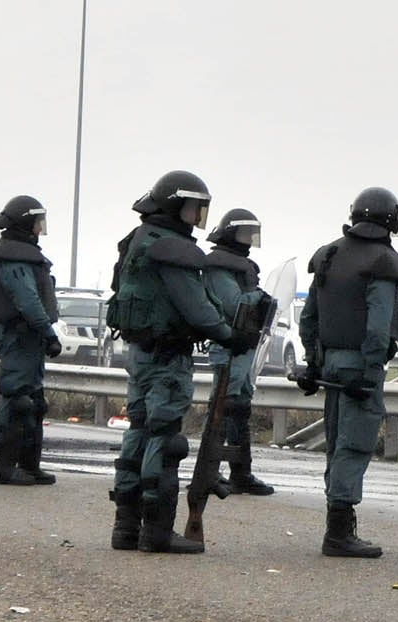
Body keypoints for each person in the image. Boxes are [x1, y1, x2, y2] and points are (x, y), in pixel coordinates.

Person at [107, 172, 259, 555]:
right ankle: (156, 531)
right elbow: (196, 307)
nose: (197, 217)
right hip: (167, 358)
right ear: (176, 204)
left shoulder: (141, 239)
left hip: (140, 353)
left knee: (138, 433)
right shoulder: (172, 248)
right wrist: (231, 335)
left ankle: (126, 526)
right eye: (193, 207)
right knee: (165, 438)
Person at [297, 187, 398, 561]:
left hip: (331, 361)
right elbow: (379, 326)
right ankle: (339, 531)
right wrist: (370, 368)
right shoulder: (382, 261)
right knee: (354, 443)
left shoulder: (330, 254)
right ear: (390, 219)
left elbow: (309, 318)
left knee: (336, 442)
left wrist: (314, 362)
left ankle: (337, 524)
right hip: (358, 364)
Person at [0, 195, 63, 487]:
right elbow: (28, 301)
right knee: (18, 399)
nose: (41, 228)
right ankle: (4, 467)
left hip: (28, 338)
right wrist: (49, 333)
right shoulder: (14, 258)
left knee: (33, 401)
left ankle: (28, 465)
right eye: (38, 222)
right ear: (26, 222)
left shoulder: (20, 254)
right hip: (20, 336)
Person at [201, 207, 277, 496]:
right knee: (225, 406)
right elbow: (234, 305)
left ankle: (240, 473)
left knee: (239, 409)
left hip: (245, 346)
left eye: (251, 234)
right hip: (228, 345)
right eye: (244, 233)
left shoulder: (240, 264)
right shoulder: (219, 265)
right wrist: (260, 297)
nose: (248, 239)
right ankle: (210, 471)